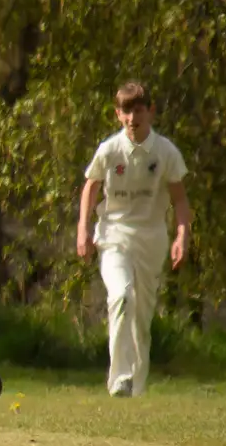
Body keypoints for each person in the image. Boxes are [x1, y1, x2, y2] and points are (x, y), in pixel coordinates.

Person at [76, 81, 191, 397]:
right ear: (117, 114)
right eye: (126, 111)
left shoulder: (165, 152)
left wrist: (182, 234)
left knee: (141, 318)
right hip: (114, 236)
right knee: (121, 296)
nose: (132, 118)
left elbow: (179, 199)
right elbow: (91, 186)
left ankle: (136, 388)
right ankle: (120, 378)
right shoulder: (110, 150)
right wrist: (83, 230)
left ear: (150, 112)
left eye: (138, 110)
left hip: (151, 239)